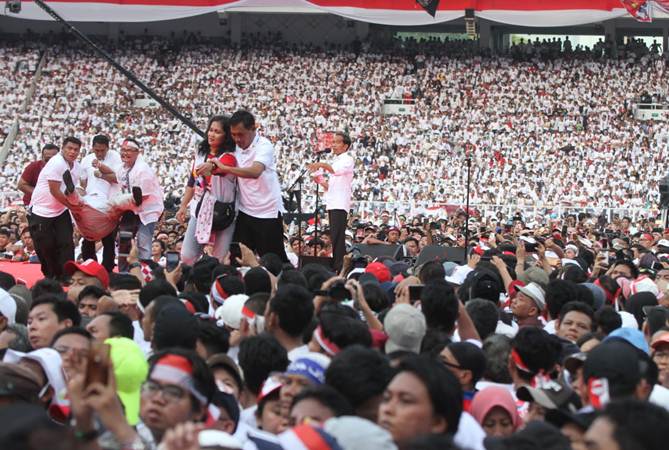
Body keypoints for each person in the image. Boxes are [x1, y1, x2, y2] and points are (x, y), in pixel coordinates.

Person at [215, 110, 288, 261]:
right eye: (233, 134)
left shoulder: (264, 145)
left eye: (240, 134)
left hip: (267, 212)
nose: (236, 139)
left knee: (273, 260)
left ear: (253, 129)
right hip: (245, 211)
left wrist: (226, 169)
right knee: (237, 258)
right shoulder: (234, 146)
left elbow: (255, 171)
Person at [176, 115, 238, 265]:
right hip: (200, 209)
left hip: (223, 212)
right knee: (187, 255)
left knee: (219, 257)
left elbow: (221, 167)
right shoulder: (201, 153)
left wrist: (211, 166)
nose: (212, 134)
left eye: (217, 132)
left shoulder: (230, 156)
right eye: (211, 130)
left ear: (226, 136)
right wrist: (183, 206)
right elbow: (192, 181)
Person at [27, 137, 82, 280]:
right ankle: (50, 275)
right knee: (45, 246)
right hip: (41, 211)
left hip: (60, 210)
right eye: (69, 148)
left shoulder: (77, 167)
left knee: (66, 243)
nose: (72, 152)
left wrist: (79, 201)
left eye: (76, 150)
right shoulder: (56, 163)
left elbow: (72, 189)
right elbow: (54, 191)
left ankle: (67, 276)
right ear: (63, 148)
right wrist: (72, 206)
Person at [308, 131, 354, 270]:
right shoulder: (337, 160)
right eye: (332, 142)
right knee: (334, 236)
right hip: (333, 201)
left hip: (340, 203)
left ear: (345, 146)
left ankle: (340, 265)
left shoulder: (347, 159)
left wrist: (321, 164)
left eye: (337, 142)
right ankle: (338, 264)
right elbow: (330, 186)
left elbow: (335, 171)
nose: (333, 145)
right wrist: (320, 180)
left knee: (338, 236)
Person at [117, 138, 164, 270]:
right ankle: (124, 271)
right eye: (123, 150)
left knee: (144, 243)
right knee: (124, 238)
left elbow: (143, 196)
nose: (125, 153)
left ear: (137, 152)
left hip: (147, 210)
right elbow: (117, 180)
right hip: (131, 209)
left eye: (129, 150)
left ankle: (144, 272)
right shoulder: (122, 168)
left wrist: (121, 203)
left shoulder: (143, 170)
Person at [78, 135, 122, 272]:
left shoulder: (116, 158)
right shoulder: (86, 160)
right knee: (88, 238)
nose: (99, 153)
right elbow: (83, 181)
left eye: (102, 150)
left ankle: (107, 269)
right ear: (92, 148)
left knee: (108, 239)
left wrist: (102, 172)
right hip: (91, 204)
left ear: (108, 148)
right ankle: (90, 267)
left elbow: (118, 178)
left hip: (110, 204)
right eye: (97, 150)